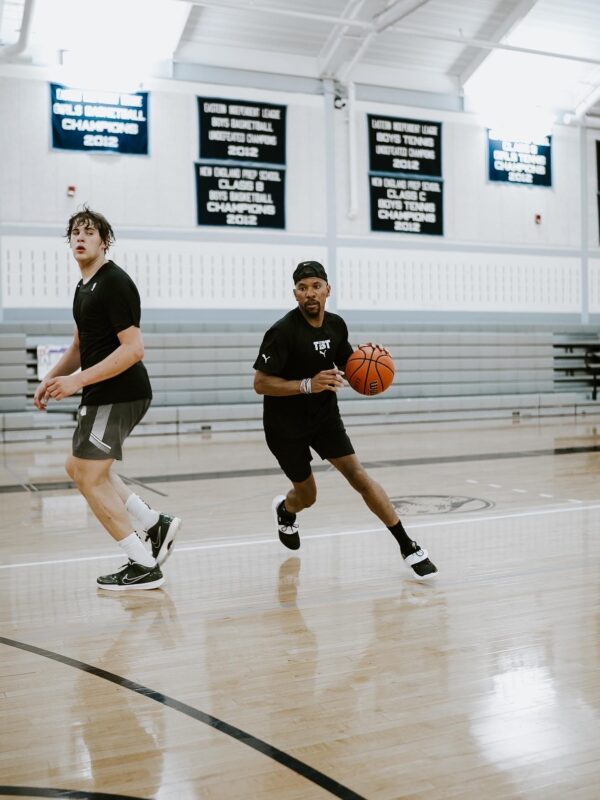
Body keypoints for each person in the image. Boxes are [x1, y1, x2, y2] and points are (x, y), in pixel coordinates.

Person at [253, 260, 437, 579]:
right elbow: (260, 383)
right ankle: (286, 510)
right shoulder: (282, 331)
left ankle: (407, 545)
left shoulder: (336, 325)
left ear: (328, 290)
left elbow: (352, 371)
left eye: (316, 286)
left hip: (324, 416)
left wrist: (372, 360)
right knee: (307, 496)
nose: (310, 293)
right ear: (295, 294)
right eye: (302, 287)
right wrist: (307, 384)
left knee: (358, 475)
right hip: (285, 426)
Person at [33, 206, 181, 590]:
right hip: (102, 392)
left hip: (120, 391)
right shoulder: (84, 287)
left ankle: (142, 563)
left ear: (104, 241)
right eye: (75, 233)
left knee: (88, 474)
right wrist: (51, 378)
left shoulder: (114, 282)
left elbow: (133, 350)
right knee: (76, 466)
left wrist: (76, 382)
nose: (80, 238)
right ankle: (153, 523)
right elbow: (81, 345)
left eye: (89, 232)